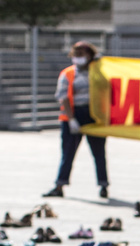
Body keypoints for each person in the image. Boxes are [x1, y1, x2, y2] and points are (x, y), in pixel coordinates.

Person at [43, 42, 108, 199]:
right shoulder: (68, 74)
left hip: (93, 116)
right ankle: (60, 185)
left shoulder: (98, 73)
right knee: (68, 153)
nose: (78, 58)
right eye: (75, 55)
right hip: (73, 114)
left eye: (81, 55)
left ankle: (103, 185)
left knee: (99, 153)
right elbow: (63, 97)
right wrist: (71, 119)